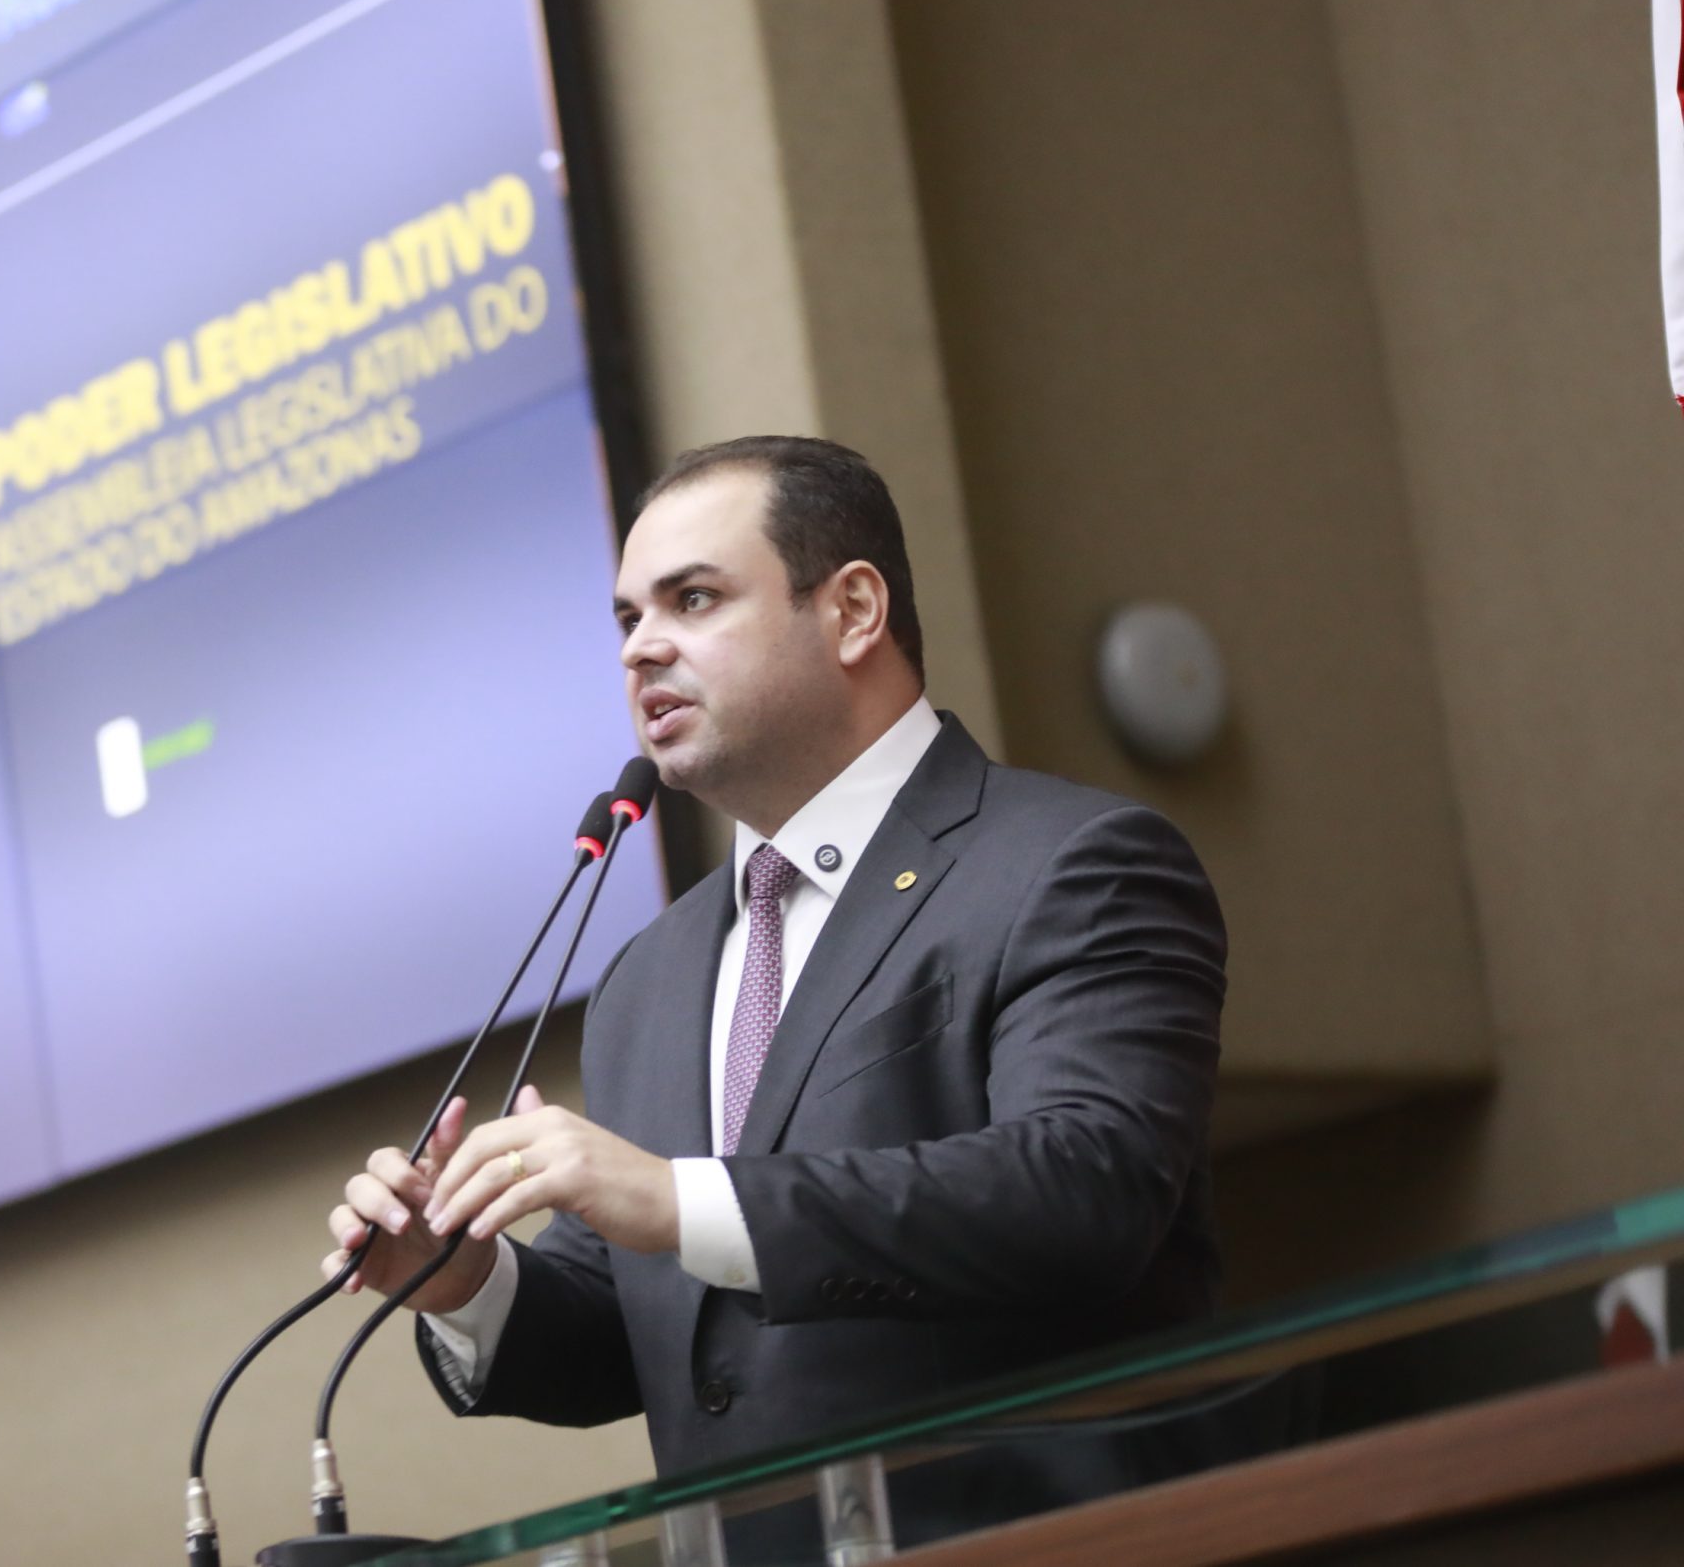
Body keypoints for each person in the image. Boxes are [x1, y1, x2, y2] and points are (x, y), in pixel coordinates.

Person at [325, 436, 1233, 1543]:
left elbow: (1082, 1192)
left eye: (693, 599)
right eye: (627, 618)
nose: (641, 648)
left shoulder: (1068, 863)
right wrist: (466, 1279)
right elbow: (649, 1331)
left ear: (852, 611)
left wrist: (684, 1200)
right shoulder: (648, 977)